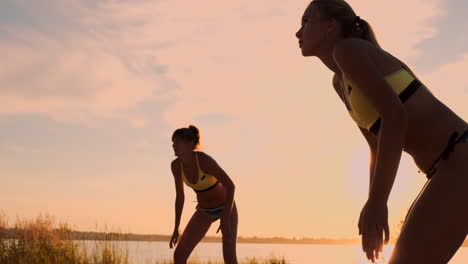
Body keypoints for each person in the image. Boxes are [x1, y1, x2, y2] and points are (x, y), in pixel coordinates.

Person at [295, 0, 468, 263]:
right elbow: (376, 145)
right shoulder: (340, 83)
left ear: (330, 26)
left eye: (305, 22)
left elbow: (396, 117)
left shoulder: (348, 50)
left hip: (458, 158)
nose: (298, 33)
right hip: (447, 166)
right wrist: (371, 205)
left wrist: (378, 204)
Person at [169, 125, 238, 264]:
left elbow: (230, 186)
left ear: (190, 144)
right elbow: (180, 197)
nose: (173, 145)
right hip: (205, 211)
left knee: (229, 257)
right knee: (179, 255)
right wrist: (176, 229)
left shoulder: (204, 160)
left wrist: (225, 218)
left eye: (177, 141)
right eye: (172, 142)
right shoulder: (176, 166)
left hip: (226, 207)